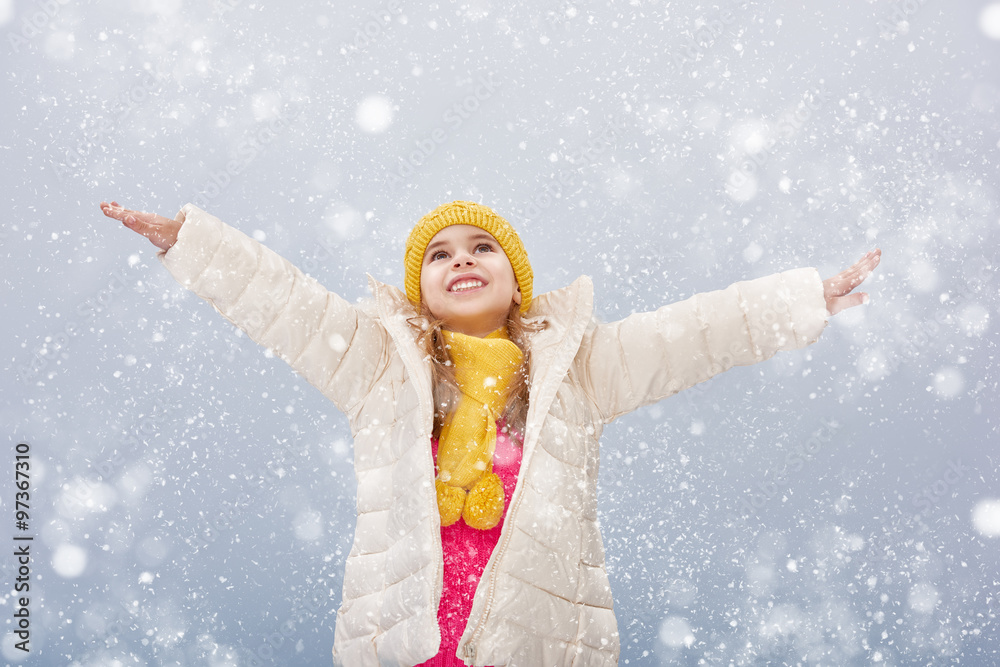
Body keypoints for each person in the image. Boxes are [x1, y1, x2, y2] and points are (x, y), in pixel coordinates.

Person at [98, 198, 881, 666]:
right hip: (402, 640)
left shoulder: (576, 370)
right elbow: (287, 303)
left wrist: (803, 298)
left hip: (534, 639)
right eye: (438, 253)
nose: (460, 259)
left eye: (481, 248)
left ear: (516, 282)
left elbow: (693, 334)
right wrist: (189, 242)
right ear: (420, 291)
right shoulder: (379, 369)